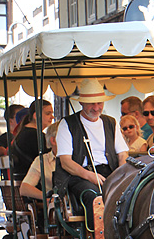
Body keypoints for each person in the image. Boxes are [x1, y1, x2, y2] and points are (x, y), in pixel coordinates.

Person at [55, 78, 128, 230]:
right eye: (91, 103)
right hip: (80, 175)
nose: (96, 107)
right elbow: (66, 162)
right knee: (94, 197)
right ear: (81, 103)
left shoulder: (111, 122)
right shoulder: (67, 124)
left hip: (110, 173)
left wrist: (122, 177)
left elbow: (122, 155)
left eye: (99, 103)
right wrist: (90, 176)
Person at [10, 99, 54, 179]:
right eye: (48, 113)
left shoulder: (23, 132)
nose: (52, 117)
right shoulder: (35, 135)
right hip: (34, 182)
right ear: (36, 115)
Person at [20, 120, 60, 202]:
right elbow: (24, 188)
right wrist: (48, 198)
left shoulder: (80, 158)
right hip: (57, 208)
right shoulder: (42, 160)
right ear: (53, 140)